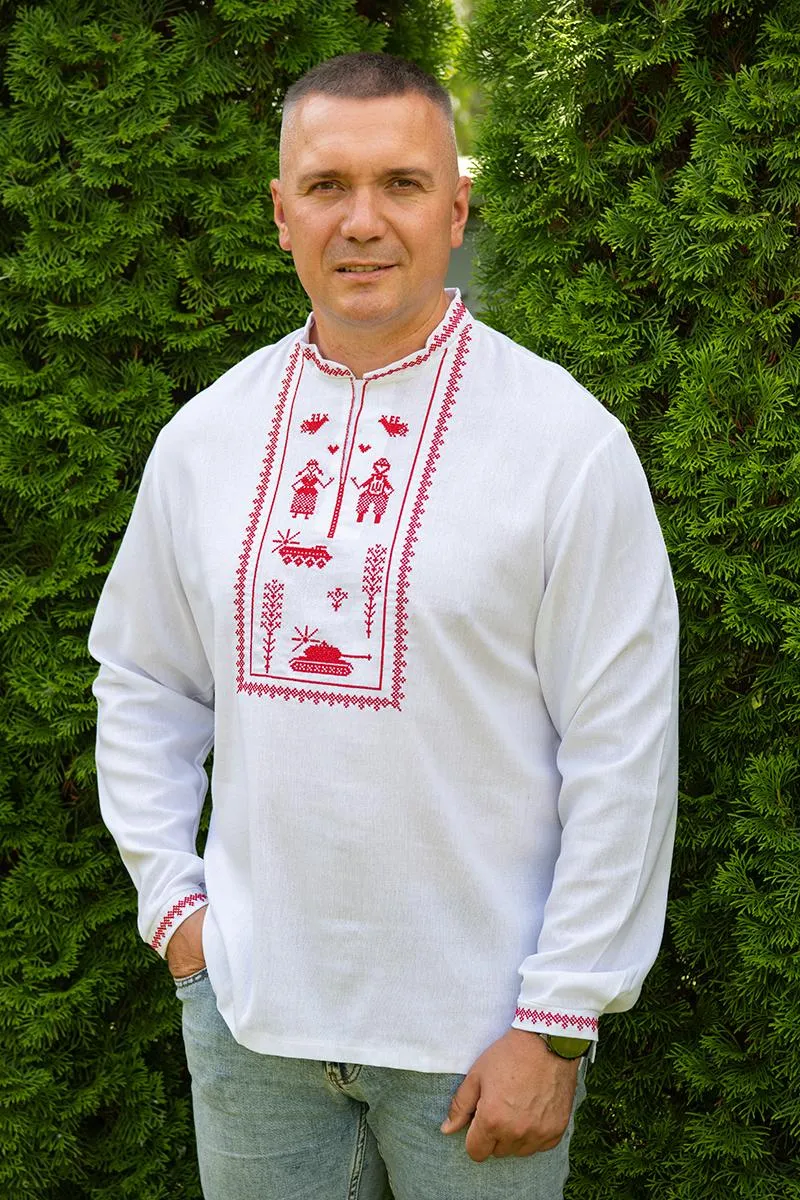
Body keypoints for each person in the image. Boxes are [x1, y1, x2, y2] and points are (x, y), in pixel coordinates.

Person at [89, 52, 679, 1200]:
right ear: (279, 213)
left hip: (478, 1044)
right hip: (252, 1026)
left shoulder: (564, 446)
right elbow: (142, 679)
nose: (361, 223)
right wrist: (179, 918)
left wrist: (558, 1021)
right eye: (325, 186)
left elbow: (622, 751)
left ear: (456, 208)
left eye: (401, 184)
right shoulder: (205, 439)